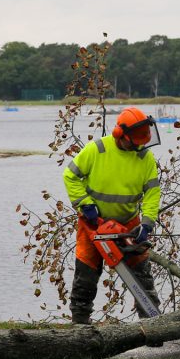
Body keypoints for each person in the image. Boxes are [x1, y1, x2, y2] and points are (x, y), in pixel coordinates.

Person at [63, 107, 162, 324]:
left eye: (140, 142)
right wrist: (85, 204)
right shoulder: (97, 150)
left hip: (129, 223)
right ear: (119, 134)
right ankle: (80, 323)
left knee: (142, 276)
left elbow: (152, 192)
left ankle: (152, 323)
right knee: (85, 275)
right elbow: (70, 175)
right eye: (133, 142)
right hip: (93, 223)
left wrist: (147, 223)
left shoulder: (144, 156)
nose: (137, 146)